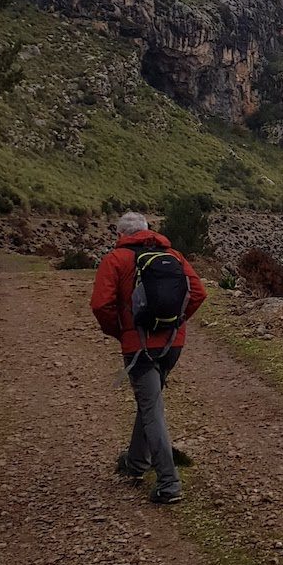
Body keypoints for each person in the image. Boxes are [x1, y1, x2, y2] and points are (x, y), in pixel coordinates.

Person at [90, 211, 207, 504]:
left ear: (120, 235)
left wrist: (120, 331)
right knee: (149, 402)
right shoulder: (174, 256)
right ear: (148, 230)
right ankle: (136, 464)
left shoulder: (114, 260)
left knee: (152, 408)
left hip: (138, 347)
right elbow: (198, 293)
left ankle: (169, 483)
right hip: (172, 345)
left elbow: (101, 305)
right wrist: (176, 324)